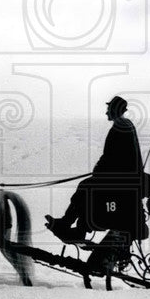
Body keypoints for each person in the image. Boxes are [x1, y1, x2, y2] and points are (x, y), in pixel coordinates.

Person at [45, 95, 144, 241]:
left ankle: (71, 225)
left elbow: (110, 156)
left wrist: (98, 170)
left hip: (121, 178)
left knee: (85, 186)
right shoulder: (125, 125)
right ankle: (75, 226)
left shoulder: (120, 126)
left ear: (115, 110)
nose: (106, 113)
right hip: (125, 176)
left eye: (108, 109)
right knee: (87, 188)